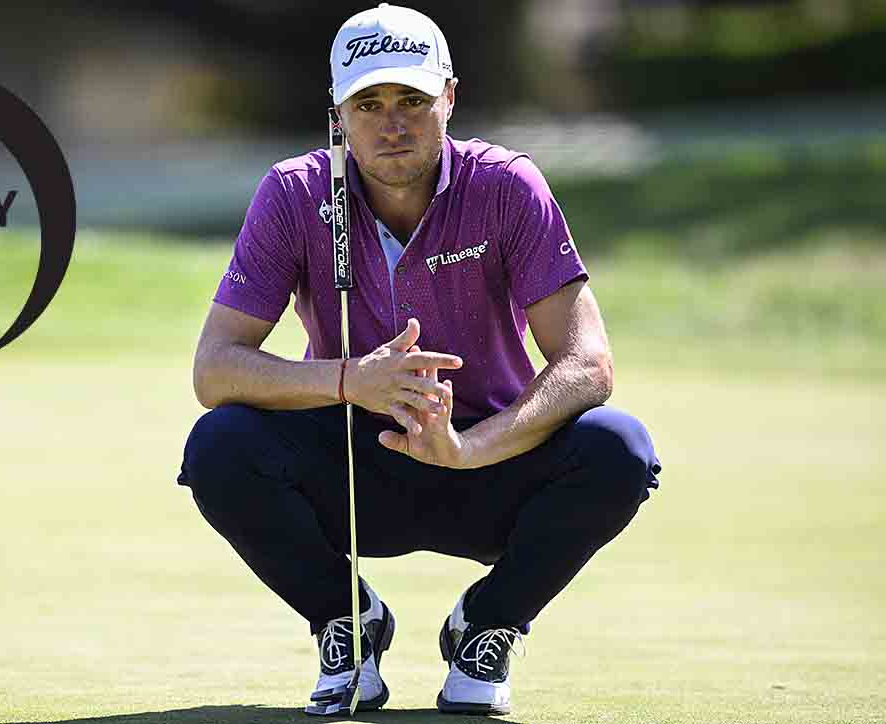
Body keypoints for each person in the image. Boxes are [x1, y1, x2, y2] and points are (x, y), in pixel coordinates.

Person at [177, 3, 661, 717]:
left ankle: (488, 625)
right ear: (338, 113)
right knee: (220, 447)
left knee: (619, 448)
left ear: (450, 98)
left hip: (490, 461)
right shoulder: (296, 193)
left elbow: (587, 362)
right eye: (368, 103)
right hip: (351, 467)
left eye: (412, 99)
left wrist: (468, 449)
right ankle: (347, 622)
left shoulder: (505, 186)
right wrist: (352, 381)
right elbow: (214, 369)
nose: (392, 123)